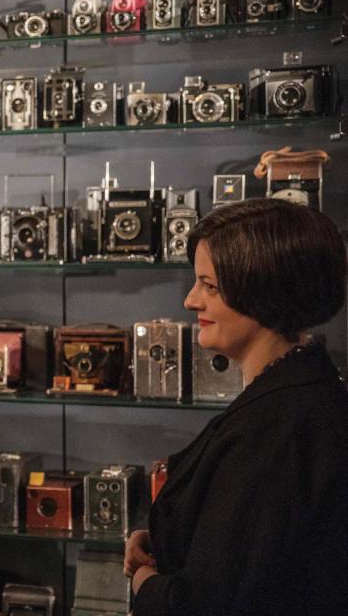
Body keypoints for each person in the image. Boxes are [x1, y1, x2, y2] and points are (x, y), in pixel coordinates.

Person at [124, 198, 348, 615]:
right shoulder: (298, 396)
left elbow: (213, 601)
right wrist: (166, 540)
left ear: (264, 289)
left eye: (209, 286)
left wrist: (143, 581)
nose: (191, 301)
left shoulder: (275, 428)